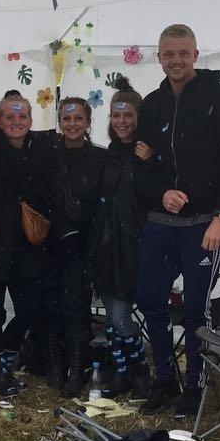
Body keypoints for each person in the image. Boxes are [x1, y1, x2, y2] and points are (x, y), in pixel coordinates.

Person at [136, 23, 220, 415]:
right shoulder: (152, 103)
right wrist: (160, 193)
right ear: (159, 57)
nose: (176, 60)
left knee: (195, 310)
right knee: (151, 302)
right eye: (169, 54)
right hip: (159, 223)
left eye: (183, 53)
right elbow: (142, 165)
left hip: (203, 225)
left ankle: (194, 386)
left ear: (196, 55)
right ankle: (165, 381)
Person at [0, 91, 54, 395]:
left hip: (27, 246)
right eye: (10, 116)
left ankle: (7, 358)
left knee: (30, 308)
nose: (16, 121)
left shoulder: (41, 149)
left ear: (31, 120)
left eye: (22, 116)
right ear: (0, 119)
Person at [86, 76, 152, 399]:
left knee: (121, 318)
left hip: (135, 248)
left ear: (138, 117)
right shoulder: (109, 154)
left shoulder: (147, 155)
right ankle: (122, 375)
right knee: (113, 319)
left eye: (128, 115)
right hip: (107, 247)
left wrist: (148, 163)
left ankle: (140, 373)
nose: (121, 121)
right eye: (116, 115)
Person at [43, 96, 105, 397]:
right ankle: (55, 366)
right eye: (66, 118)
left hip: (82, 245)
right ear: (59, 122)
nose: (72, 124)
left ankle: (77, 370)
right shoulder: (47, 154)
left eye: (78, 118)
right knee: (51, 306)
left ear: (88, 122)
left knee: (76, 308)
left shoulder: (100, 157)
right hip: (49, 243)